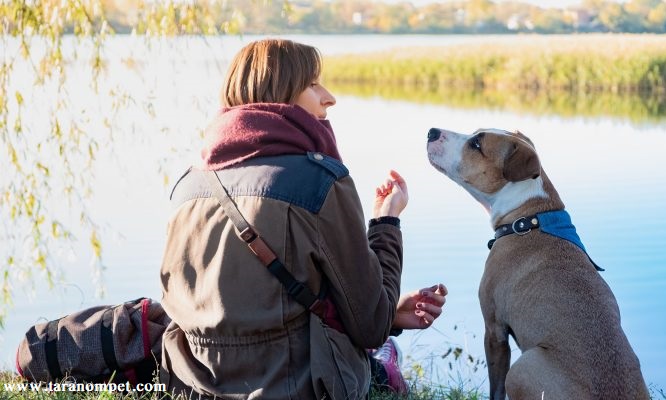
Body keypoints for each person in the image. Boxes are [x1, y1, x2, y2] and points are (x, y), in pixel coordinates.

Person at [158, 38, 448, 399]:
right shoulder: (319, 182)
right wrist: (386, 222)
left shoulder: (187, 185)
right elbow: (371, 325)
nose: (329, 97)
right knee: (377, 350)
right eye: (313, 85)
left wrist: (387, 313)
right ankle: (384, 369)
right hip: (296, 387)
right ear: (279, 94)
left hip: (191, 385)